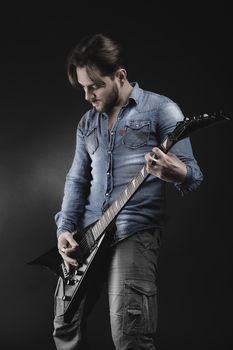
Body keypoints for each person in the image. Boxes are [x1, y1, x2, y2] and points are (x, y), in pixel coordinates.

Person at [53, 33, 203, 350]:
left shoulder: (163, 110)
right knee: (65, 326)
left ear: (119, 76)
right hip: (86, 234)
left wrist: (177, 172)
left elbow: (193, 173)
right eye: (82, 88)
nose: (87, 95)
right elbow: (77, 179)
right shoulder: (87, 124)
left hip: (134, 230)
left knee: (130, 333)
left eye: (94, 86)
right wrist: (65, 229)